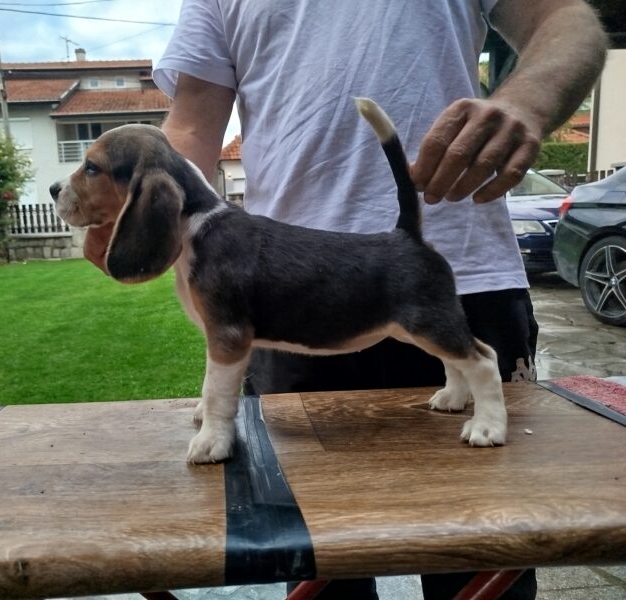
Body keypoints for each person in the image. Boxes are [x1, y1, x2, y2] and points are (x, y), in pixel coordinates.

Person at [84, 0, 608, 598]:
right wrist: (138, 222)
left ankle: (470, 387)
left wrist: (526, 100)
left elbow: (565, 16)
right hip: (281, 285)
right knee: (317, 569)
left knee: (485, 555)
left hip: (465, 265)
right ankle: (459, 384)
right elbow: (192, 127)